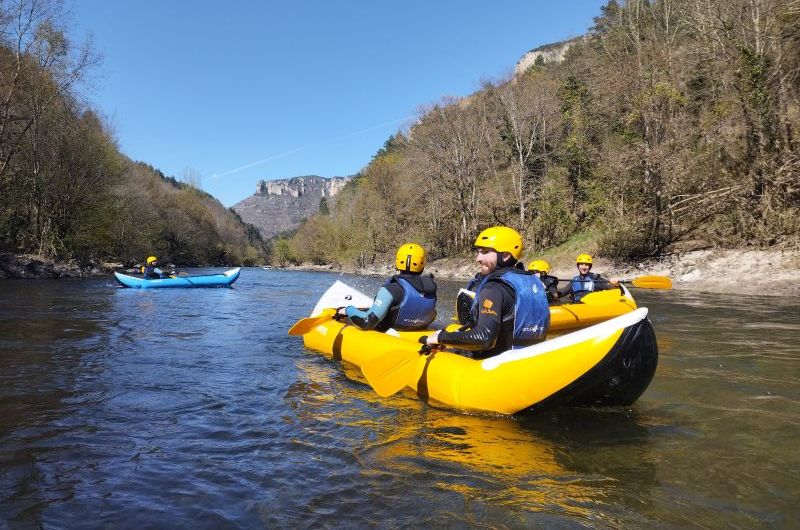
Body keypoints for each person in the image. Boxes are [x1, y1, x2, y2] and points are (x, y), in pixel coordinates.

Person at [424, 226, 550, 359]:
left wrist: (440, 338)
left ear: (506, 255)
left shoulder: (493, 288)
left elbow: (484, 338)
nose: (478, 258)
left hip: (498, 364)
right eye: (478, 252)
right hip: (531, 360)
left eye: (484, 252)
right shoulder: (535, 282)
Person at [337, 243, 437, 331]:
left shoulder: (390, 290)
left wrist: (347, 310)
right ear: (422, 265)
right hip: (417, 331)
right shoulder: (430, 289)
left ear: (398, 262)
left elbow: (366, 322)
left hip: (392, 333)